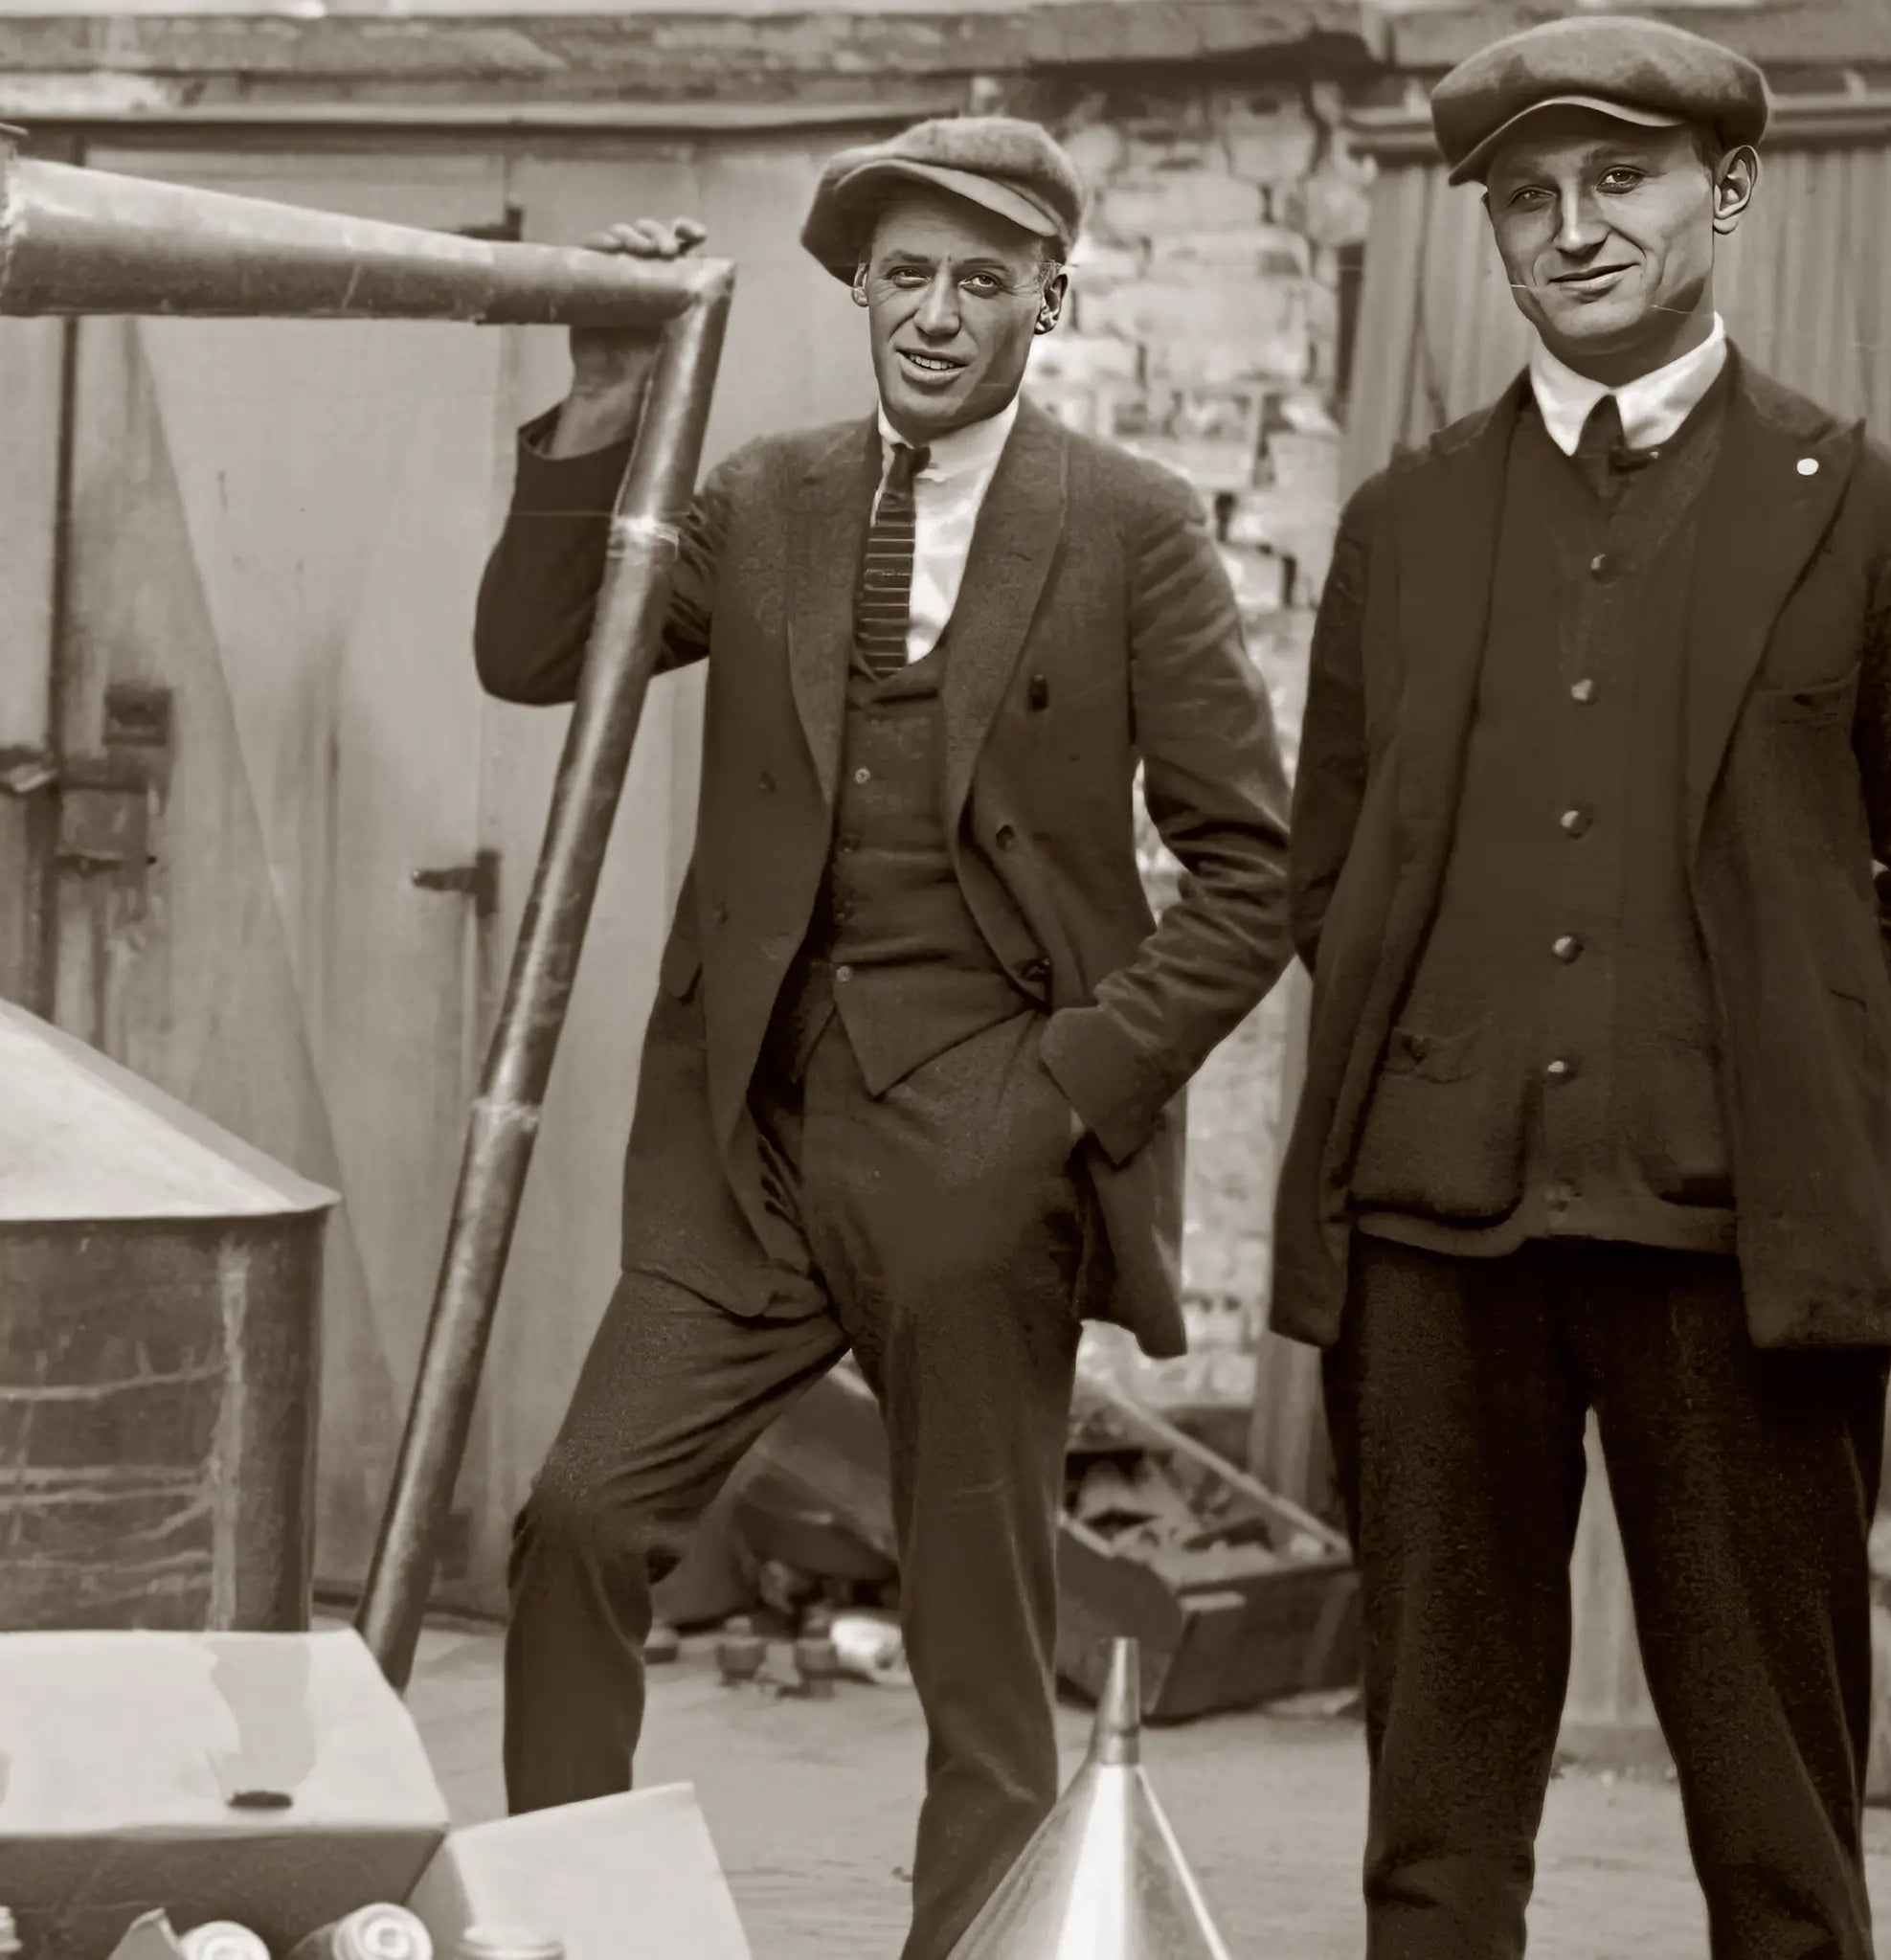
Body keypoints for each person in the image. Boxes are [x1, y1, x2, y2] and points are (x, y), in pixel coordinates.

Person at [474, 115, 1292, 1960]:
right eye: (905, 276)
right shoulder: (760, 497)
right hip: (745, 1152)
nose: (936, 316)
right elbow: (538, 655)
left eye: (984, 282)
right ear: (862, 289)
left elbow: (1256, 877)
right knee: (582, 1523)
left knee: (981, 1648)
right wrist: (603, 397)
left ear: (1049, 302)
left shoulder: (1136, 529)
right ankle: (563, 1935)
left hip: (982, 1154)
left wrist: (1063, 1097)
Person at [1271, 14, 1891, 1959]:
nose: (1571, 232)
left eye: (1621, 182)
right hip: (1433, 1243)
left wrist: (1786, 1057)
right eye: (1525, 198)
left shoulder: (1874, 511)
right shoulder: (1401, 525)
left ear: (1724, 196)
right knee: (1432, 1833)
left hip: (1729, 1249)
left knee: (1774, 1834)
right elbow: (1330, 871)